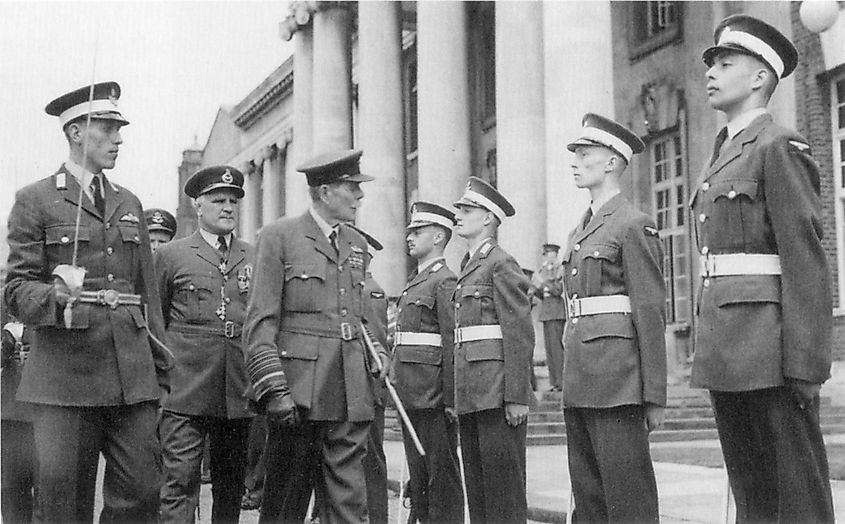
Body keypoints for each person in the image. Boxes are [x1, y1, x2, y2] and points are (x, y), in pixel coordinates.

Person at [4, 81, 171, 522]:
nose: (119, 139)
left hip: (130, 374)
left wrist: (162, 368)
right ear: (76, 132)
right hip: (65, 375)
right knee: (63, 503)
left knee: (142, 490)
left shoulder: (129, 202)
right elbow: (16, 288)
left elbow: (147, 294)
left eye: (120, 130)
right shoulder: (35, 200)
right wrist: (53, 296)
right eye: (108, 129)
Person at [691, 14, 834, 522]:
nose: (711, 72)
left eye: (725, 63)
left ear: (758, 78)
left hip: (771, 349)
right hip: (729, 344)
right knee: (753, 497)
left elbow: (805, 258)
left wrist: (807, 363)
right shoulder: (722, 152)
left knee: (796, 497)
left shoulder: (779, 144)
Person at [244, 149, 387, 524]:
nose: (359, 196)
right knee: (285, 506)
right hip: (297, 394)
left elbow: (357, 313)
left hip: (349, 390)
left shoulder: (356, 244)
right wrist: (273, 389)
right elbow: (260, 322)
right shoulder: (280, 237)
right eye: (351, 187)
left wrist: (378, 355)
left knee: (348, 506)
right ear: (324, 192)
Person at [562, 113, 667, 523]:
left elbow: (649, 310)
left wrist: (654, 393)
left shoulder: (631, 224)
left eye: (584, 154)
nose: (574, 162)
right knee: (589, 500)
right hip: (582, 377)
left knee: (628, 501)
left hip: (619, 382)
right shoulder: (580, 231)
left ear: (610, 162)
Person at [155, 166, 255, 523]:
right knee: (180, 481)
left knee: (230, 486)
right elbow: (156, 320)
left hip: (237, 389)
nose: (228, 207)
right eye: (218, 200)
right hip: (185, 388)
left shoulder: (253, 256)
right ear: (198, 206)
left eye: (233, 201)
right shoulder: (171, 255)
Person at [452, 177, 534, 523]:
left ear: (488, 218)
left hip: (497, 393)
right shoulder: (468, 265)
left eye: (467, 210)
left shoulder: (501, 263)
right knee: (480, 492)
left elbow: (518, 333)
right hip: (472, 393)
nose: (459, 216)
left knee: (504, 494)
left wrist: (517, 395)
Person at [392, 201, 464, 524]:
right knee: (419, 478)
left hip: (434, 397)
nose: (409, 237)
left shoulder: (444, 280)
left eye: (417, 231)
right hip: (411, 394)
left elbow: (452, 342)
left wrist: (451, 399)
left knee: (441, 478)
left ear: (438, 237)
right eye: (409, 231)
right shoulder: (415, 281)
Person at [1, 320, 36, 524]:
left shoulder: (63, 294)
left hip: (52, 413)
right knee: (12, 492)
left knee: (50, 496)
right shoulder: (3, 302)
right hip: (12, 414)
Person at [529, 243, 566, 392]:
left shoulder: (559, 268)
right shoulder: (545, 269)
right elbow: (542, 295)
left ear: (555, 254)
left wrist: (542, 283)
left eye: (548, 254)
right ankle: (555, 382)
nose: (546, 257)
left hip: (556, 311)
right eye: (545, 254)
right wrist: (536, 288)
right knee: (550, 351)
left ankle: (561, 382)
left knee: (557, 349)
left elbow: (558, 290)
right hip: (548, 311)